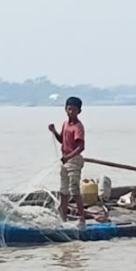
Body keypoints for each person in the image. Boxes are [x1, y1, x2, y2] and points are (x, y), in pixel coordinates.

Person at [48, 97, 87, 227]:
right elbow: (62, 140)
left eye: (74, 110)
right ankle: (63, 218)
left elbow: (81, 147)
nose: (71, 112)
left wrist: (69, 156)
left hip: (74, 160)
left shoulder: (78, 127)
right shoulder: (65, 124)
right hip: (65, 160)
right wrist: (54, 131)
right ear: (65, 109)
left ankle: (82, 219)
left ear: (79, 111)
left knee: (74, 190)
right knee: (64, 191)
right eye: (69, 109)